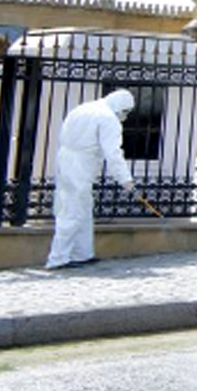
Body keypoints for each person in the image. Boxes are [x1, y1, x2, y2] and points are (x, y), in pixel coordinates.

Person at [45, 90, 138, 269]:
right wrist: (125, 179)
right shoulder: (108, 118)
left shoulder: (84, 108)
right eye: (125, 112)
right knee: (72, 211)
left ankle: (82, 254)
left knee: (82, 209)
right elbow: (113, 153)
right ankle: (58, 259)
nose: (124, 117)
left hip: (65, 161)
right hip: (80, 166)